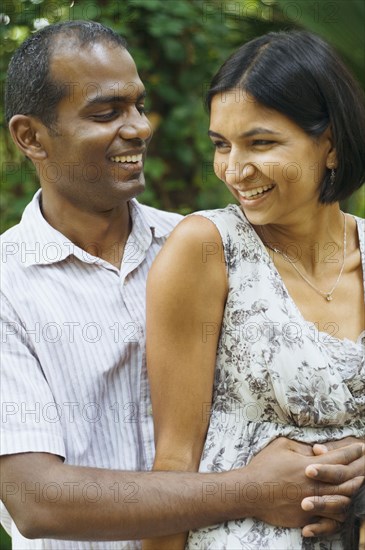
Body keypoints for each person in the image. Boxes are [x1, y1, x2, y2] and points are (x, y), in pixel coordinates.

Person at [0, 21, 363, 550]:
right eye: (106, 113)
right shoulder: (9, 283)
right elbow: (34, 497)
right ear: (31, 137)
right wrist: (250, 490)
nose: (141, 128)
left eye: (138, 106)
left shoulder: (209, 246)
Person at [144, 30, 365, 549]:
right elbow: (174, 460)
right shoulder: (205, 248)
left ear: (329, 143)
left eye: (260, 143)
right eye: (221, 144)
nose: (234, 170)